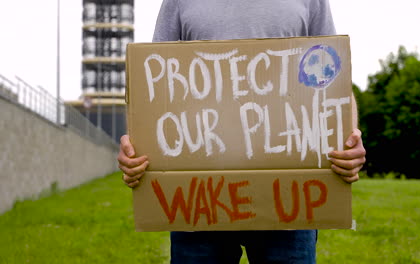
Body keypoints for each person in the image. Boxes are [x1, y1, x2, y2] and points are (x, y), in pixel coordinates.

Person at [117, 0, 366, 263]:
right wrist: (135, 145)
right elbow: (153, 82)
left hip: (290, 201)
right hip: (199, 200)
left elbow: (332, 75)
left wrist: (349, 138)